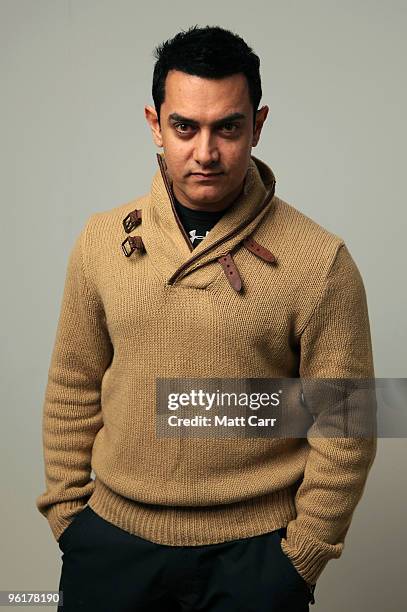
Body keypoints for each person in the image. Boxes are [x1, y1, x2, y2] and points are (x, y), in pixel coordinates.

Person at [36, 25, 377, 611]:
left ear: (259, 125)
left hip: (256, 558)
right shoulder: (100, 241)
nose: (206, 152)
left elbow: (348, 420)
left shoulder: (320, 260)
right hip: (112, 547)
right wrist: (70, 517)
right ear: (154, 123)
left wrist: (304, 554)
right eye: (185, 127)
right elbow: (72, 388)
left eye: (229, 127)